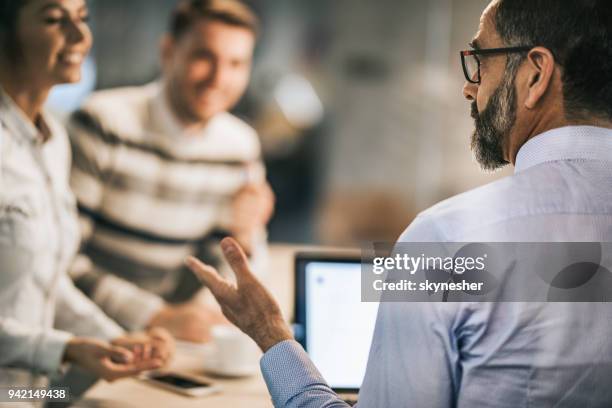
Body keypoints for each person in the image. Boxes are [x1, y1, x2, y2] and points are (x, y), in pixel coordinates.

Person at [186, 0, 612, 406]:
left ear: (535, 75)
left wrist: (271, 334)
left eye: (480, 61)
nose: (469, 87)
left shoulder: (442, 240)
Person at [66, 0, 274, 342]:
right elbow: (60, 261)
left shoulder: (241, 146)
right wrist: (156, 316)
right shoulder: (102, 123)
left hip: (169, 344)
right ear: (168, 51)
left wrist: (246, 239)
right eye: (204, 56)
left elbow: (231, 271)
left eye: (236, 63)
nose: (219, 78)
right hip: (86, 337)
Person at [0, 0, 174, 399]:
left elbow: (41, 282)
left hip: (28, 397)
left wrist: (119, 339)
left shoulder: (52, 140)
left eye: (82, 18)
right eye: (54, 19)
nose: (80, 36)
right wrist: (66, 350)